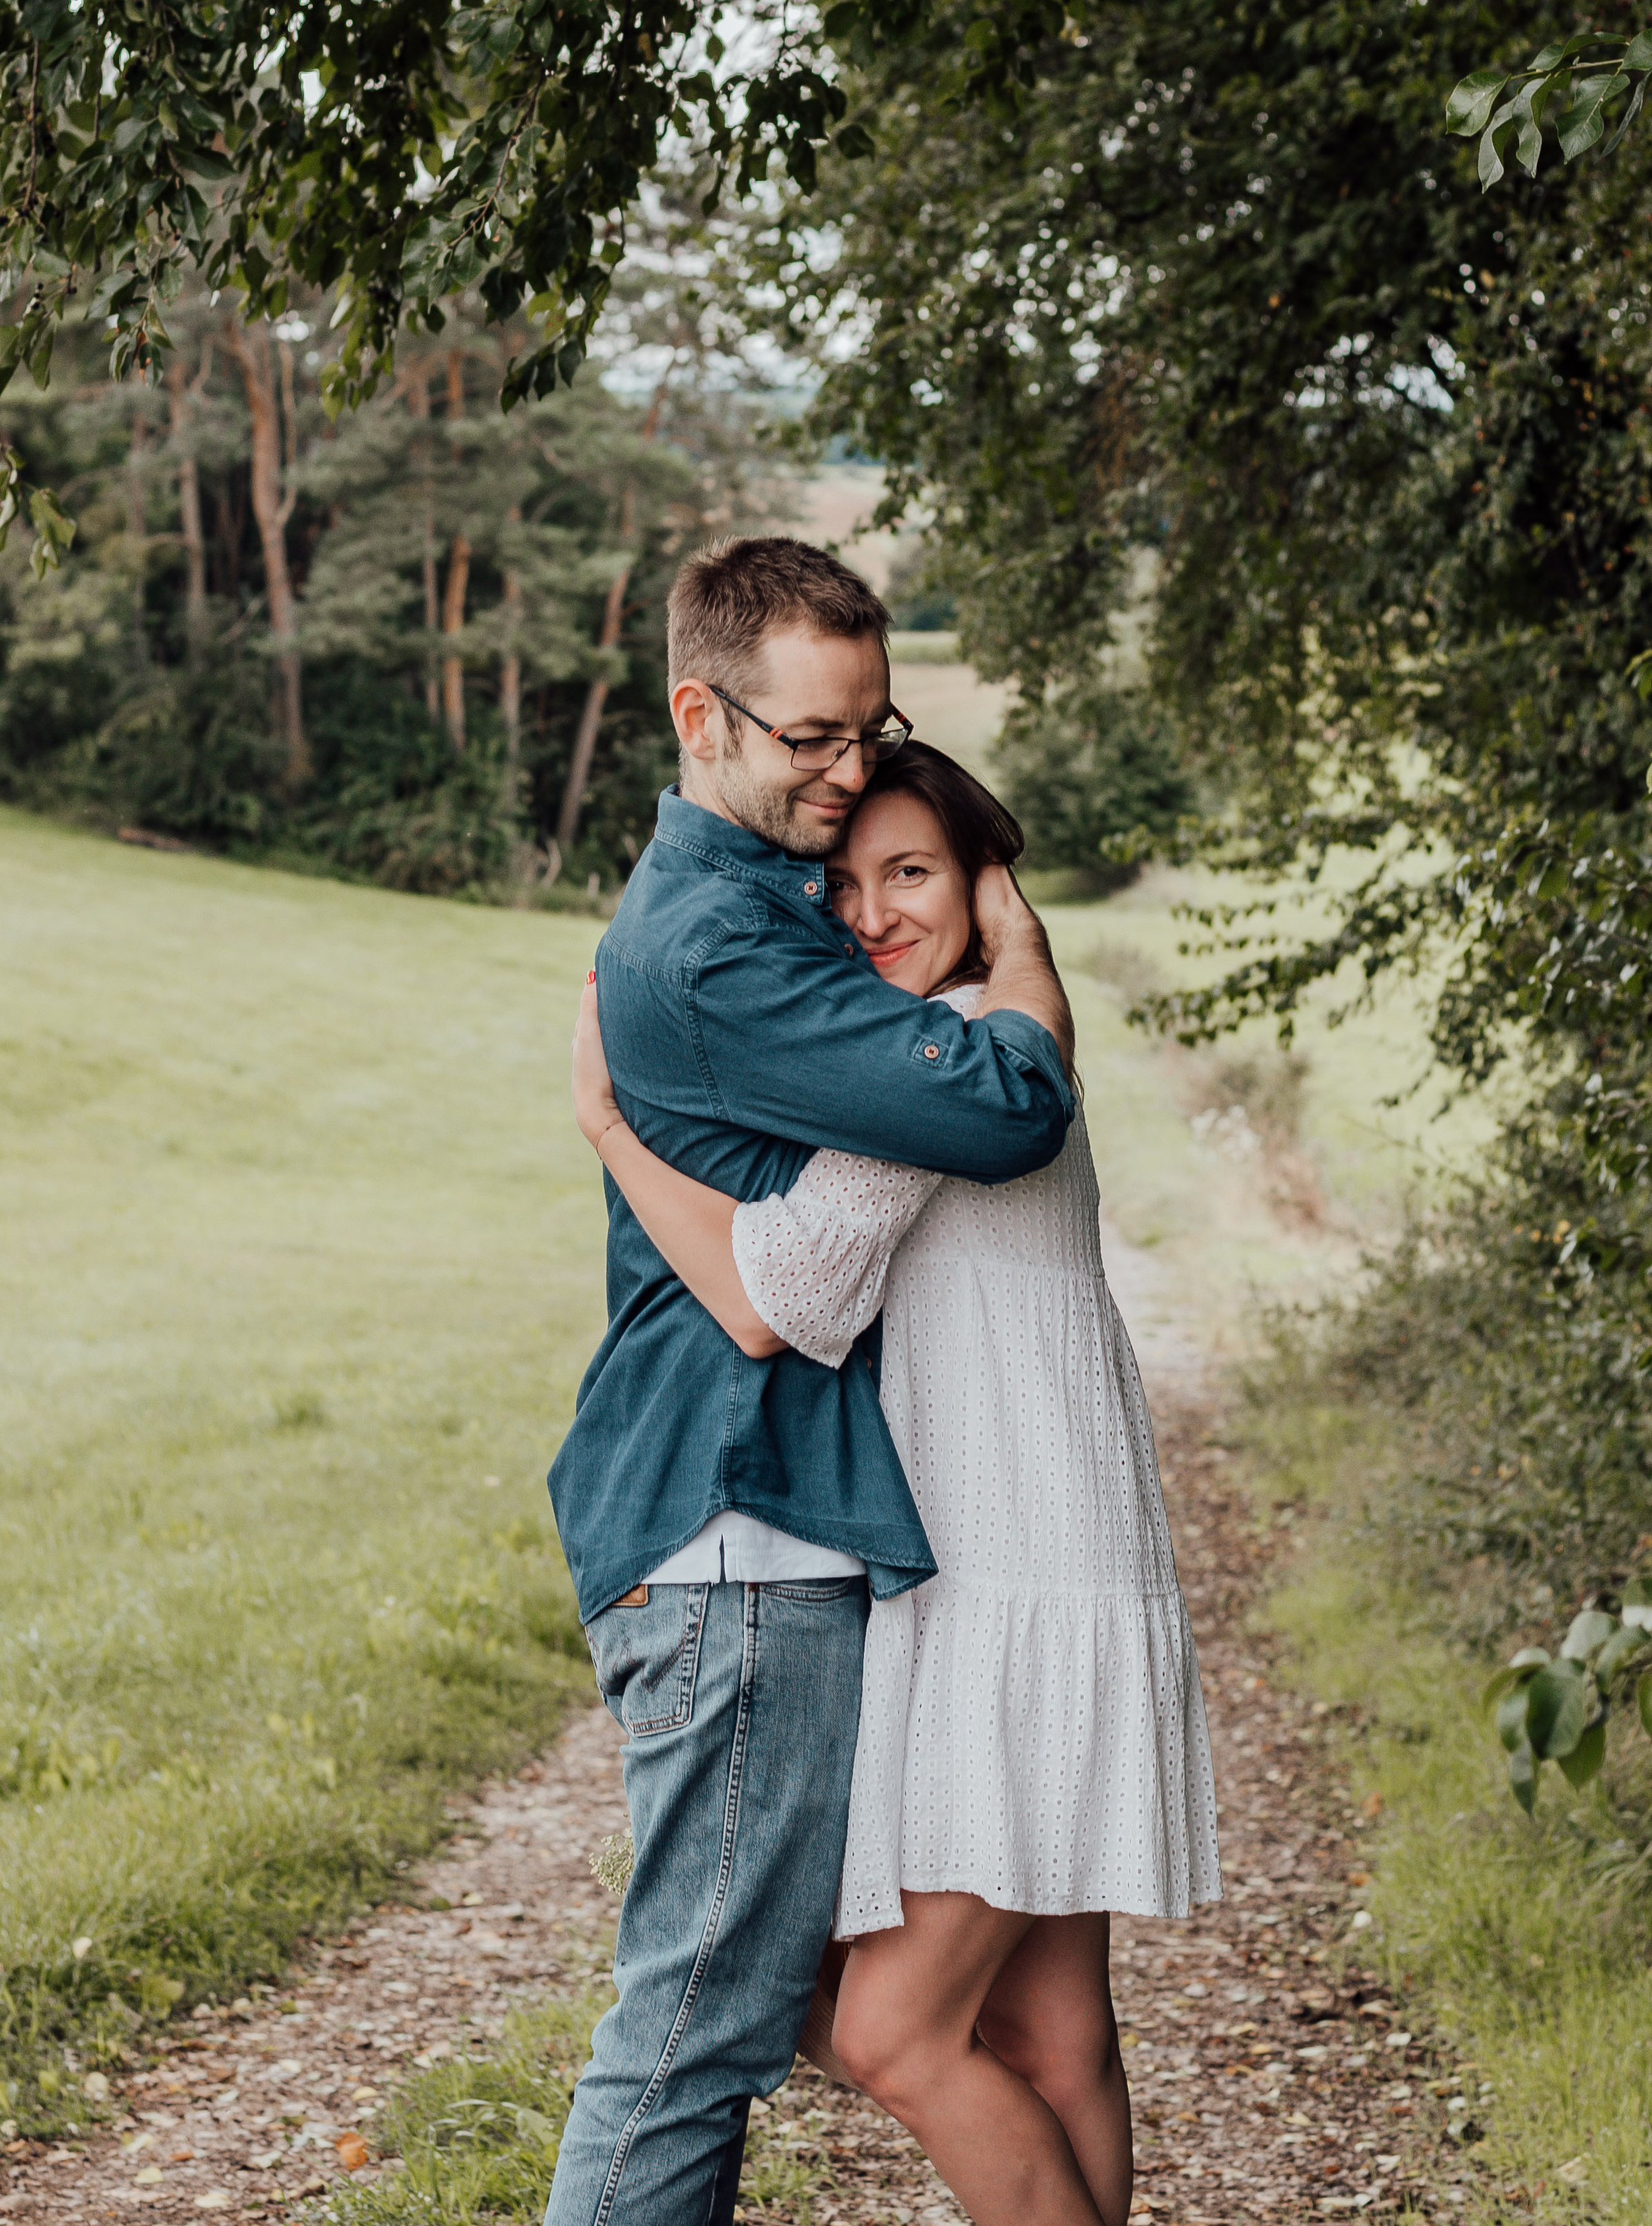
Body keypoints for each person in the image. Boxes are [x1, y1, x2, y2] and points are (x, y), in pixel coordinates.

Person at [571, 742, 1219, 2226]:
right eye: (842, 883)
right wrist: (1025, 965)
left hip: (1009, 1579)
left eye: (910, 872)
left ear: (985, 880)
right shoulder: (996, 1034)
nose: (868, 913)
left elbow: (773, 1291)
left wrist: (609, 1128)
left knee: (881, 2028)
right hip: (1046, 1561)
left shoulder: (942, 1055)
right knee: (1050, 2037)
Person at [544, 537, 1076, 2226]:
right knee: (695, 2034)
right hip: (735, 1527)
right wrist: (1018, 960)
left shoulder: (767, 909)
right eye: (811, 743)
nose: (850, 777)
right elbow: (1000, 1109)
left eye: (872, 731)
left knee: (734, 2021)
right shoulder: (722, 950)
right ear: (702, 716)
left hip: (751, 1526)